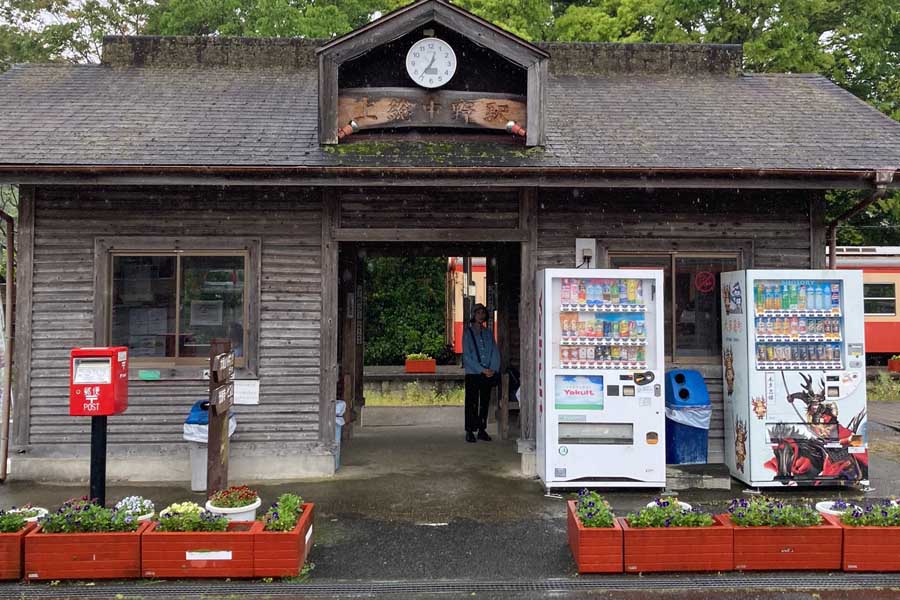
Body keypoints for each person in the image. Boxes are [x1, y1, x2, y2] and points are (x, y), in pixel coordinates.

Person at [462, 303, 500, 443]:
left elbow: (494, 352)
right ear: (473, 315)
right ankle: (470, 430)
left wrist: (492, 369)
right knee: (471, 402)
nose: (481, 315)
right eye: (478, 312)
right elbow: (467, 356)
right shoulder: (467, 333)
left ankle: (482, 429)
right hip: (473, 373)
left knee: (485, 401)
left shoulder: (488, 334)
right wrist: (481, 369)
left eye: (483, 313)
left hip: (487, 373)